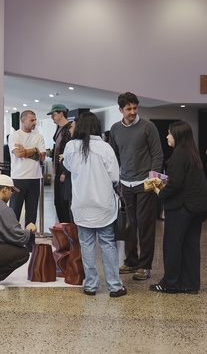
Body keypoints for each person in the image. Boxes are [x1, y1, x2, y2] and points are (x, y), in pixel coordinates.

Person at [63, 112, 127, 297]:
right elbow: (115, 176)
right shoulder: (105, 148)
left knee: (86, 244)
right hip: (104, 204)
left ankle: (90, 285)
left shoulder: (71, 147)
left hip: (82, 204)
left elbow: (68, 167)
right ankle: (114, 286)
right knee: (107, 244)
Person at [151, 121, 207, 294]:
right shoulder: (191, 152)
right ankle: (190, 284)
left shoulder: (179, 154)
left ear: (177, 135)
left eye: (169, 133)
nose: (167, 136)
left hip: (183, 207)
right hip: (198, 207)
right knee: (190, 246)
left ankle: (170, 283)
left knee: (173, 244)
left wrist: (159, 191)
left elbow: (176, 184)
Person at [109, 92, 164, 281]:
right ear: (120, 110)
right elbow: (113, 157)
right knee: (129, 226)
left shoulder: (148, 126)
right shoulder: (115, 129)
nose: (132, 112)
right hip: (125, 183)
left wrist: (153, 179)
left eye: (135, 108)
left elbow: (157, 155)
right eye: (128, 109)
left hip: (144, 183)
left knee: (145, 225)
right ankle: (131, 261)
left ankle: (145, 265)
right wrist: (114, 180)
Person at [9, 110, 46, 228]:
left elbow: (42, 156)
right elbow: (18, 154)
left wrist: (25, 150)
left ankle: (30, 242)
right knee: (14, 211)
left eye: (35, 120)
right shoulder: (15, 135)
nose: (34, 122)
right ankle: (13, 240)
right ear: (23, 120)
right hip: (18, 177)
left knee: (32, 213)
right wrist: (34, 149)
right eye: (32, 120)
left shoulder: (39, 136)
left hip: (34, 178)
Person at [48, 104, 73, 223]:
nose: (52, 117)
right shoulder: (59, 129)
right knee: (58, 203)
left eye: (54, 114)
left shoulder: (70, 128)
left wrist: (65, 171)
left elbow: (70, 151)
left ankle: (70, 235)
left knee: (64, 204)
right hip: (57, 172)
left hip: (64, 173)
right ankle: (63, 234)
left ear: (61, 113)